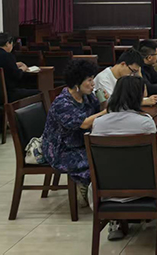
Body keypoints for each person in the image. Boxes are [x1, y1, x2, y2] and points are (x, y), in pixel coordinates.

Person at [92, 75, 157, 241]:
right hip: (146, 183)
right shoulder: (145, 122)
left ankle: (116, 222)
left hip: (108, 184)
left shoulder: (99, 123)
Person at [42, 60, 108, 207]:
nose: (93, 84)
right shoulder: (62, 103)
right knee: (99, 160)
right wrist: (106, 111)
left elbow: (98, 113)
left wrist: (104, 102)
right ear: (77, 82)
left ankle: (91, 188)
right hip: (61, 150)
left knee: (106, 155)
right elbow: (84, 123)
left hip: (80, 143)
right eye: (89, 80)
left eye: (93, 79)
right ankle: (86, 186)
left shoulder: (87, 96)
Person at [93, 49, 157, 107]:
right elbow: (112, 104)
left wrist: (139, 74)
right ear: (123, 64)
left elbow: (143, 95)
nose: (132, 74)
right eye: (133, 71)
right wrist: (142, 102)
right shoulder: (103, 78)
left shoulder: (126, 76)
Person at [0, 32, 39, 102]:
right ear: (7, 43)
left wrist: (13, 64)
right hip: (8, 94)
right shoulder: (7, 56)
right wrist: (22, 69)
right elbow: (17, 76)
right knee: (38, 92)